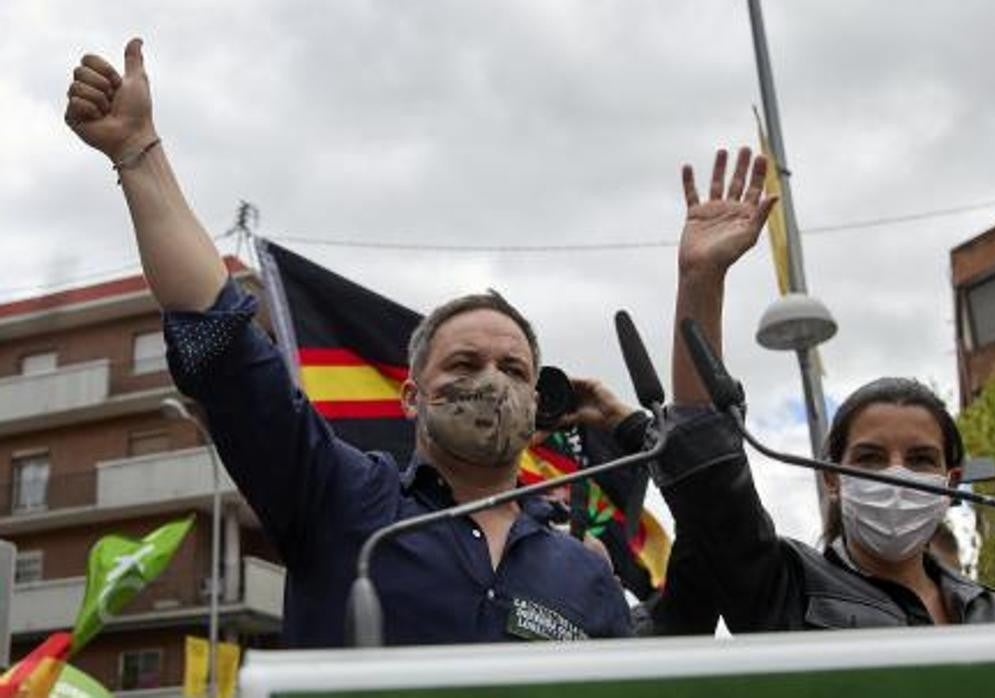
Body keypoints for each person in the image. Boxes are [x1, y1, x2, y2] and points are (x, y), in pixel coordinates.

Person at [62, 39, 640, 646]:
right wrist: (136, 150)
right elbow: (226, 342)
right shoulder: (338, 495)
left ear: (536, 405)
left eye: (514, 370)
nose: (491, 380)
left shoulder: (585, 572)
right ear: (412, 395)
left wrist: (631, 427)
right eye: (465, 362)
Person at [655, 146, 995, 630]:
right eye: (870, 458)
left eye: (920, 459)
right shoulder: (784, 588)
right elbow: (706, 469)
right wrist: (701, 281)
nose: (897, 476)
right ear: (832, 477)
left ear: (951, 483)